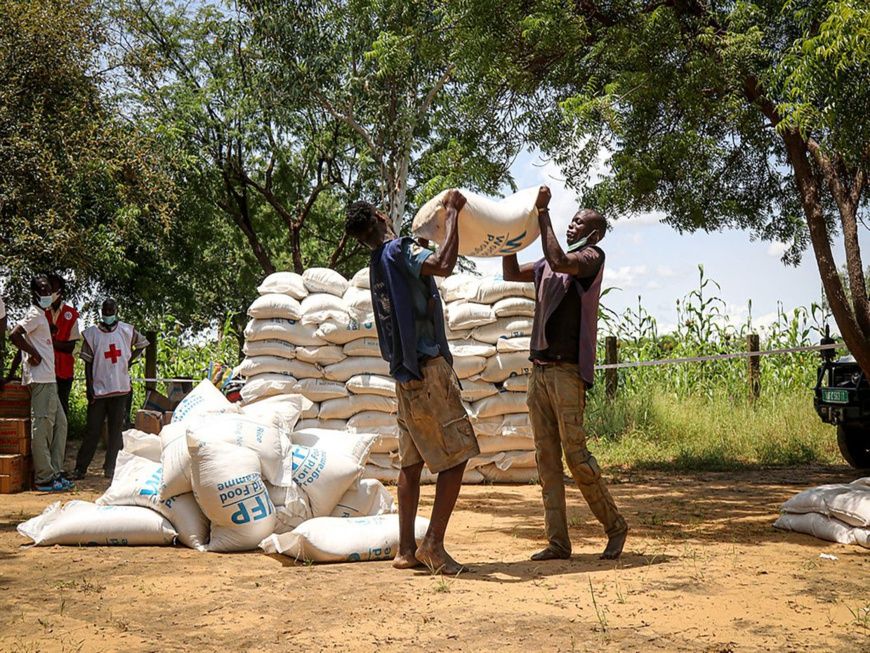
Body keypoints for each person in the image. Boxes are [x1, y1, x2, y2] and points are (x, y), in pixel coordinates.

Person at [345, 191, 478, 575]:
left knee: (412, 463)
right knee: (457, 457)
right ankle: (432, 545)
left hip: (404, 375)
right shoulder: (399, 250)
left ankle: (406, 549)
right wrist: (452, 214)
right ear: (381, 215)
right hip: (428, 371)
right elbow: (443, 264)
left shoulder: (377, 263)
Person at [503, 186, 628, 561]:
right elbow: (511, 272)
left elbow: (558, 260)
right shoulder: (545, 264)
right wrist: (509, 232)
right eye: (571, 219)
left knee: (576, 456)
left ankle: (615, 526)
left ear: (596, 233)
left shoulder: (590, 258)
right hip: (539, 372)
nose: (573, 225)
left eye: (580, 222)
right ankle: (558, 542)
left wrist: (542, 215)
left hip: (567, 373)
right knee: (546, 459)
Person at [72, 298, 148, 480]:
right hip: (99, 390)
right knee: (93, 430)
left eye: (111, 310)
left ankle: (111, 467)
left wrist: (129, 360)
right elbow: (87, 364)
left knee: (116, 431)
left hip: (120, 389)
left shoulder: (127, 330)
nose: (108, 313)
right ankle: (80, 468)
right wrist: (89, 387)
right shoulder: (91, 335)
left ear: (116, 310)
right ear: (101, 311)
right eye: (105, 310)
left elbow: (143, 344)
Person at [8, 274, 72, 492]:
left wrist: (13, 370)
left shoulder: (42, 316)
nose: (47, 294)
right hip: (41, 380)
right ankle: (44, 478)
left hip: (49, 379)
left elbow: (21, 342)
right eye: (43, 290)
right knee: (42, 427)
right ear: (34, 293)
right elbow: (15, 335)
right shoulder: (35, 314)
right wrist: (34, 354)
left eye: (48, 290)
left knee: (60, 425)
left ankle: (54, 471)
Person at [45, 273, 80, 416]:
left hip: (64, 370)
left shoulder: (71, 314)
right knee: (46, 408)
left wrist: (49, 342)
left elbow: (70, 347)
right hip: (45, 369)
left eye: (53, 286)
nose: (50, 290)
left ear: (60, 291)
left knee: (62, 408)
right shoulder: (40, 312)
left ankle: (61, 438)